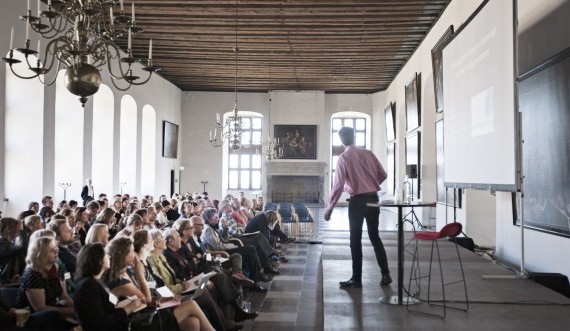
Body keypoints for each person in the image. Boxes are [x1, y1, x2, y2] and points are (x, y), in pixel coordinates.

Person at [324, 126, 392, 288]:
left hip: (357, 202)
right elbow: (383, 175)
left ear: (341, 140)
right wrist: (371, 184)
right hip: (373, 199)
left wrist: (330, 207)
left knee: (355, 239)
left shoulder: (343, 158)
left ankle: (357, 278)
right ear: (354, 137)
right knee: (375, 237)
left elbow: (338, 185)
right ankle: (386, 274)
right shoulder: (368, 153)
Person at [74, 243, 144, 331]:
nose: (109, 257)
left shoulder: (96, 281)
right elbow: (99, 323)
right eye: (106, 255)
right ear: (99, 260)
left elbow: (106, 308)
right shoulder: (88, 286)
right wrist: (127, 308)